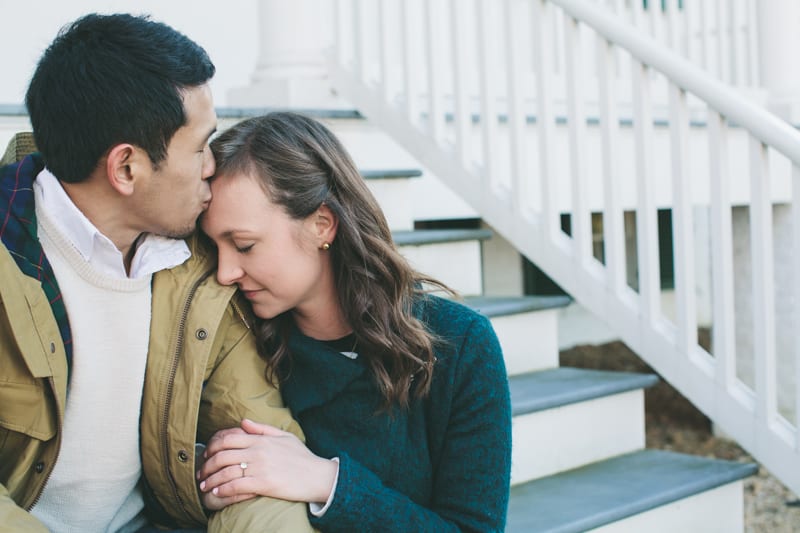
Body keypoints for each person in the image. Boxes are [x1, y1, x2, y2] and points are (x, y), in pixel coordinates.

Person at [0, 14, 313, 532]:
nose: (214, 166)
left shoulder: (201, 269)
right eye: (199, 147)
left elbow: (259, 452)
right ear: (126, 169)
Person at [198, 112, 512, 532]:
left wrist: (329, 483)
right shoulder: (240, 343)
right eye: (214, 247)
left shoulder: (461, 345)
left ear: (321, 225)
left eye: (244, 245)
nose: (225, 272)